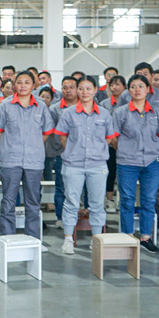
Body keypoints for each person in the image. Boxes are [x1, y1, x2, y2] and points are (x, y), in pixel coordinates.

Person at [54, 76, 116, 255]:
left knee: (97, 204)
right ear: (77, 91)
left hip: (97, 165)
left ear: (95, 90)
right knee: (71, 202)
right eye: (81, 88)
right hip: (73, 165)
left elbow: (109, 138)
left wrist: (96, 150)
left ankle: (96, 239)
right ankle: (68, 239)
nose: (85, 92)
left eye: (89, 88)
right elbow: (62, 136)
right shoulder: (69, 113)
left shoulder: (104, 114)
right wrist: (73, 151)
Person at [0, 71, 54, 240]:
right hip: (10, 160)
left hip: (34, 160)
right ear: (14, 85)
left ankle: (33, 239)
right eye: (19, 82)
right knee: (8, 200)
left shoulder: (41, 106)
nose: (23, 85)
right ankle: (8, 238)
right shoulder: (5, 105)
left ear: (33, 86)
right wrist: (9, 143)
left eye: (27, 82)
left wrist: (34, 143)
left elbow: (47, 131)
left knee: (33, 201)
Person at [111, 74, 159, 254]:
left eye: (141, 86)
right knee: (127, 199)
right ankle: (127, 235)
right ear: (129, 90)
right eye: (133, 86)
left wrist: (155, 152)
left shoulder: (156, 113)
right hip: (127, 162)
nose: (137, 90)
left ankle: (145, 237)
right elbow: (113, 137)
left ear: (147, 89)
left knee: (149, 200)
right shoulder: (121, 112)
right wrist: (125, 150)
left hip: (151, 162)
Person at [48, 76, 78, 228]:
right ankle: (60, 217)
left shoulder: (85, 106)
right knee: (61, 186)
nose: (68, 90)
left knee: (83, 188)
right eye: (65, 87)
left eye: (71, 87)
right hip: (62, 153)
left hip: (83, 154)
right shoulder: (54, 109)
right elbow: (52, 131)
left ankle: (82, 216)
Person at [99, 75, 126, 213]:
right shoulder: (104, 104)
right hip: (109, 144)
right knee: (109, 172)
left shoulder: (128, 103)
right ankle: (109, 200)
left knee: (124, 174)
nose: (114, 87)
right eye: (112, 85)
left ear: (124, 87)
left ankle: (123, 200)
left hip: (126, 144)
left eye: (117, 84)